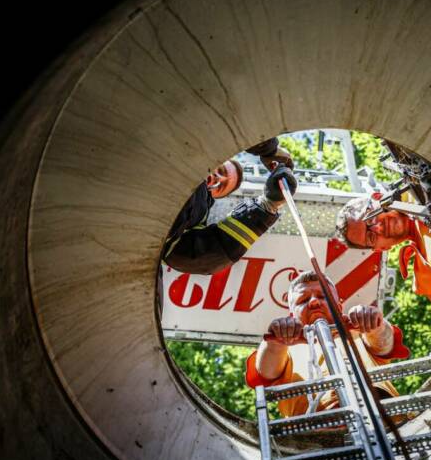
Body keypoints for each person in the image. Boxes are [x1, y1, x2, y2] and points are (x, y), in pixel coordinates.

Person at [245, 271, 409, 418]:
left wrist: (375, 323)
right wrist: (277, 340)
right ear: (291, 314)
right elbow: (266, 372)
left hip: (382, 417)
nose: (314, 302)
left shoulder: (357, 332)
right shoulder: (286, 349)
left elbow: (385, 343)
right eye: (303, 300)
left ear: (339, 307)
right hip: (315, 436)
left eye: (323, 297)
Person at [161, 138, 296, 275]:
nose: (219, 179)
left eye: (222, 187)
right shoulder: (191, 150)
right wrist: (268, 149)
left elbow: (198, 256)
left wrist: (268, 204)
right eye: (221, 170)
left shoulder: (196, 215)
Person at [335, 196, 431, 325]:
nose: (378, 227)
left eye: (370, 217)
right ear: (380, 248)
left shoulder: (417, 189)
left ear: (377, 199)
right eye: (371, 237)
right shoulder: (425, 277)